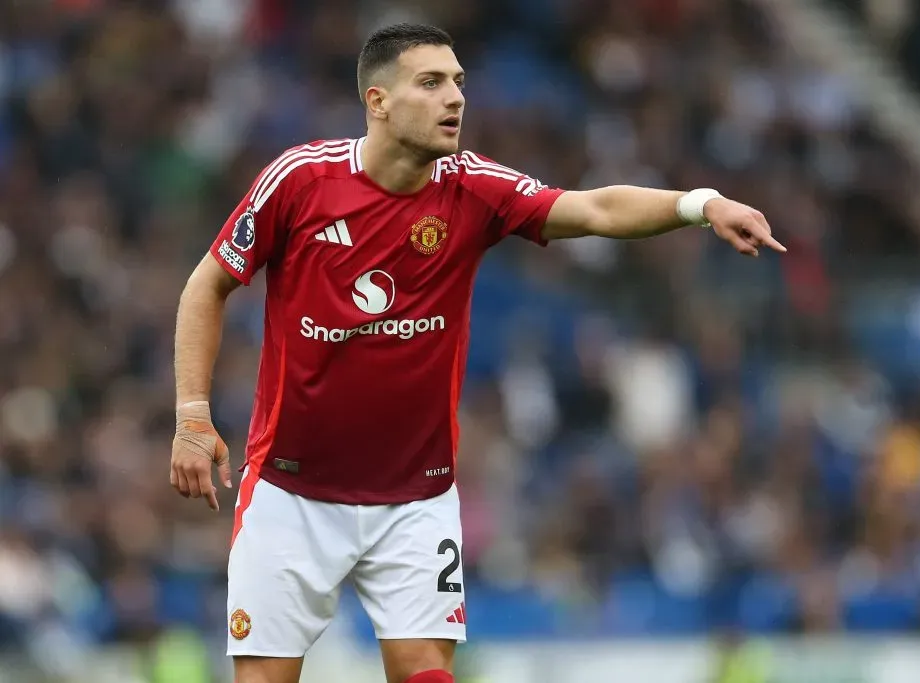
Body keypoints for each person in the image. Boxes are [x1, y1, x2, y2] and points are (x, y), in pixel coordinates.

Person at [169, 22, 785, 683]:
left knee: (426, 672)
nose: (455, 98)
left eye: (459, 82)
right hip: (292, 492)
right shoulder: (300, 181)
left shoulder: (473, 187)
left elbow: (596, 210)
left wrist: (700, 203)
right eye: (431, 83)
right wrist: (193, 416)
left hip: (415, 499)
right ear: (378, 101)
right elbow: (207, 285)